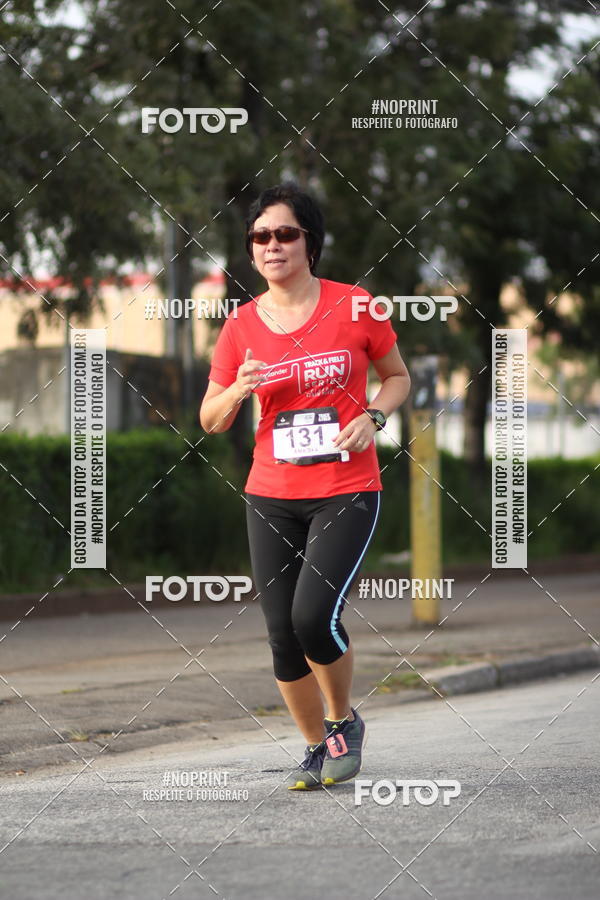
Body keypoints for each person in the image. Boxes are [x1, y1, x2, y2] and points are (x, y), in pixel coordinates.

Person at [200, 183, 410, 790]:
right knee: (282, 636)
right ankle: (317, 747)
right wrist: (237, 390)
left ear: (309, 242)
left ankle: (343, 722)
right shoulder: (241, 324)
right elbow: (210, 419)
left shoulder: (356, 305)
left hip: (346, 487)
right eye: (260, 236)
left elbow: (397, 378)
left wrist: (373, 417)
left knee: (314, 617)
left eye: (285, 233)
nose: (272, 245)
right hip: (270, 494)